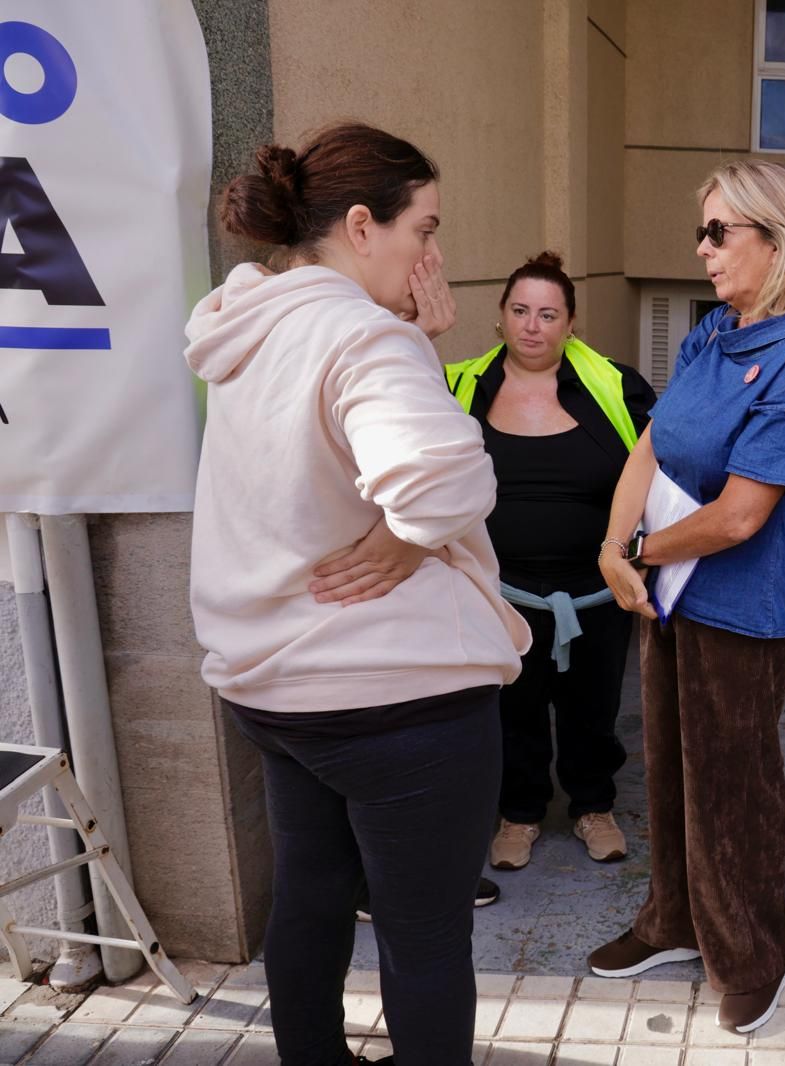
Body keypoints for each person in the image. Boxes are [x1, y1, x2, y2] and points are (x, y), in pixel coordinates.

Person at [186, 123, 531, 1066]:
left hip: (277, 689)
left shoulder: (249, 325)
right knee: (423, 938)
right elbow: (444, 483)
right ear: (359, 225)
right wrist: (405, 539)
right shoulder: (361, 335)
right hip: (396, 698)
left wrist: (412, 349)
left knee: (308, 897)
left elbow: (322, 456)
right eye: (424, 229)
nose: (436, 256)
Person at [585, 160, 785, 1034]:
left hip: (746, 612)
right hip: (668, 593)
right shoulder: (714, 334)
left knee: (732, 789)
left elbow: (742, 516)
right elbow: (653, 444)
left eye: (718, 232)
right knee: (668, 769)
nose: (702, 249)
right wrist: (613, 548)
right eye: (700, 232)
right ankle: (674, 921)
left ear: (778, 242)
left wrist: (639, 552)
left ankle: (753, 954)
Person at [444, 252, 655, 868]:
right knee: (514, 710)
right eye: (519, 311)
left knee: (595, 709)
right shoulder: (460, 386)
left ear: (570, 323)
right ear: (501, 317)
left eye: (547, 314)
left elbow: (658, 475)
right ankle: (520, 814)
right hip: (500, 593)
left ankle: (594, 807)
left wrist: (645, 559)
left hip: (596, 590)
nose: (532, 326)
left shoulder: (615, 385)